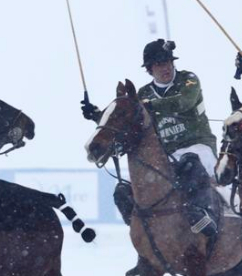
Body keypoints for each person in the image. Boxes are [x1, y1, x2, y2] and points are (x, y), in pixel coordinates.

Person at [82, 39, 220, 238]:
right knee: (123, 192)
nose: (166, 67)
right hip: (167, 153)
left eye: (168, 62)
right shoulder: (144, 93)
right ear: (149, 69)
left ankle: (203, 214)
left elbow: (183, 102)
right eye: (159, 64)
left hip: (198, 146)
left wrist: (148, 105)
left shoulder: (188, 80)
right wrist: (96, 114)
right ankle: (143, 232)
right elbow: (126, 119)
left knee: (190, 164)